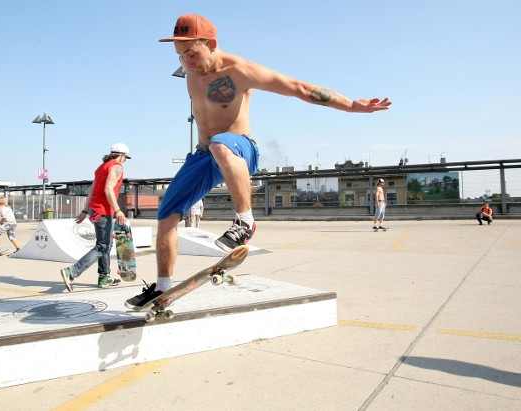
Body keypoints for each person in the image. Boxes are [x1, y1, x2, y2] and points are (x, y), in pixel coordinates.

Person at [125, 14, 392, 309]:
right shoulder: (190, 71)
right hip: (203, 155)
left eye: (191, 52)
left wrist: (352, 106)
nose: (186, 61)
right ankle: (162, 287)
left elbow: (299, 88)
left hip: (239, 149)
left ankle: (245, 221)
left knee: (220, 144)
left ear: (211, 44)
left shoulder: (241, 70)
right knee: (166, 214)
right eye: (180, 55)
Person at [59, 143, 131, 291]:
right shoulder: (117, 167)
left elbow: (91, 191)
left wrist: (85, 211)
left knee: (105, 245)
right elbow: (108, 189)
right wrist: (118, 210)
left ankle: (104, 277)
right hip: (103, 211)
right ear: (122, 156)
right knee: (102, 246)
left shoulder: (101, 168)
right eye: (126, 158)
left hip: (94, 210)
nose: (125, 161)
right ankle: (72, 272)